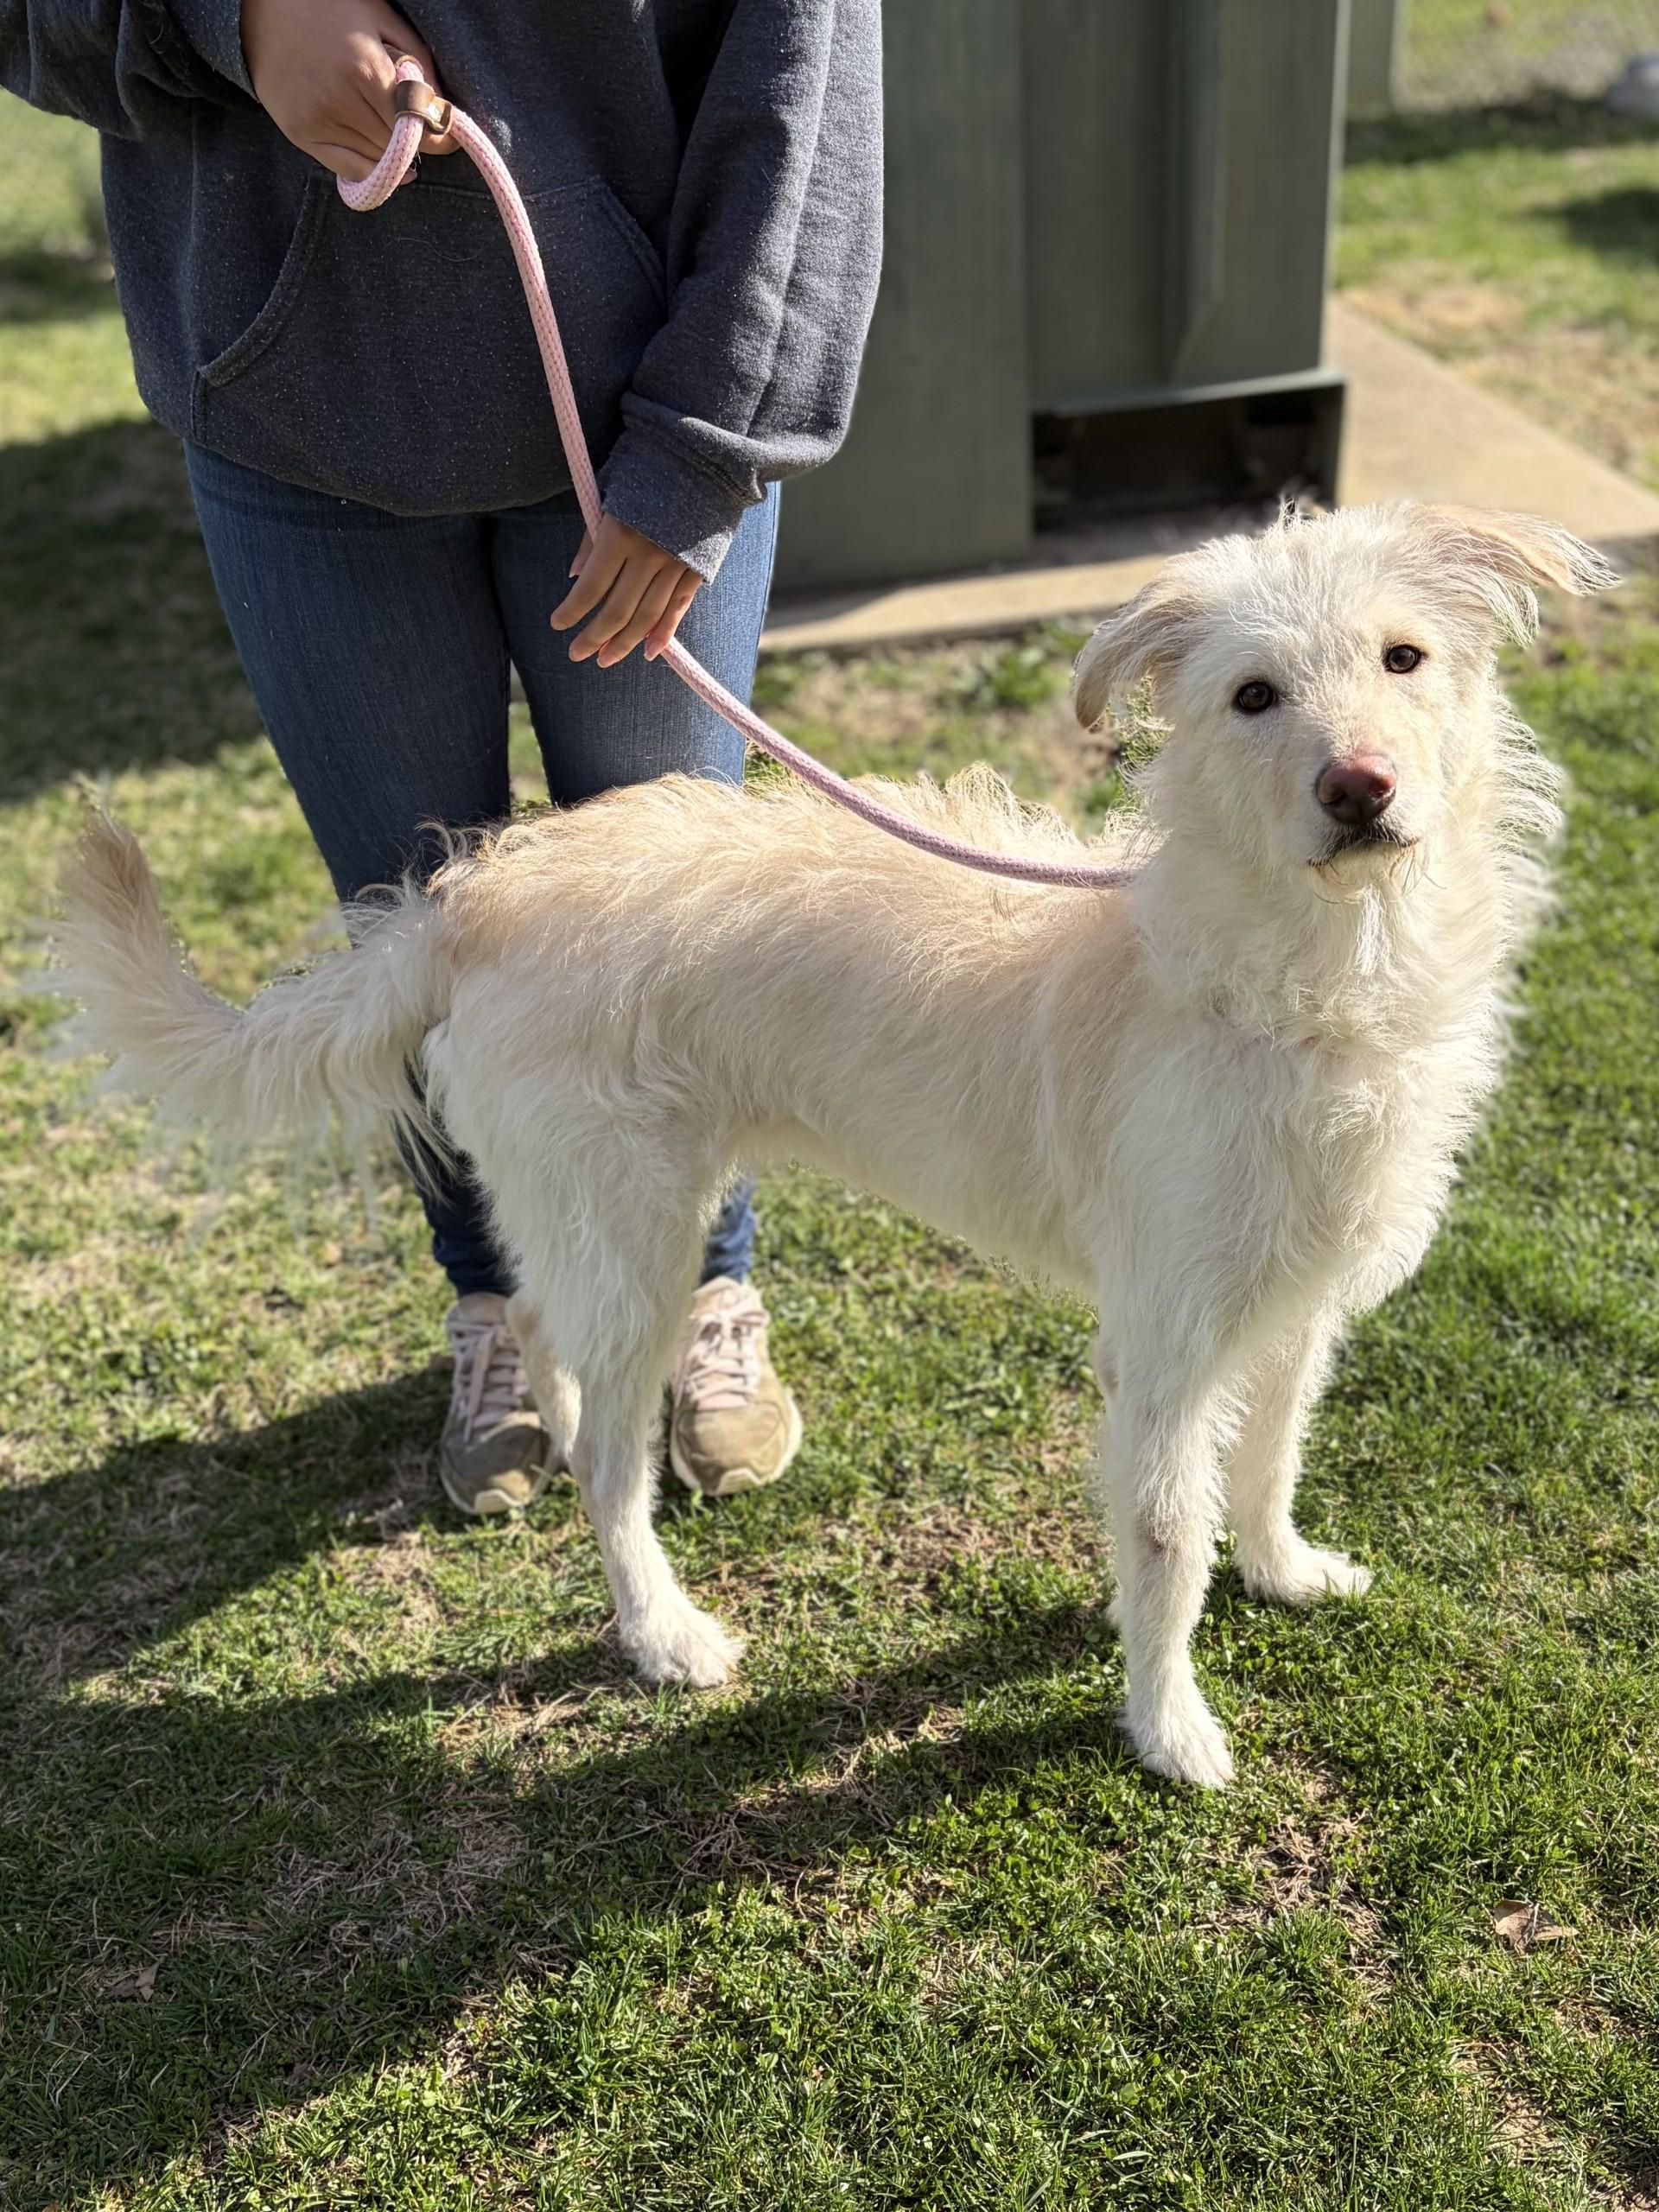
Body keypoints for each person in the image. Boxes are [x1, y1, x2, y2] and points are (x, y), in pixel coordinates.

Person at [3, 0, 883, 1511]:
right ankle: (497, 1299)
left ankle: (703, 1290)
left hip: (635, 417)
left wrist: (708, 446)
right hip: (294, 422)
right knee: (418, 913)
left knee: (677, 922)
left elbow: (806, 78)